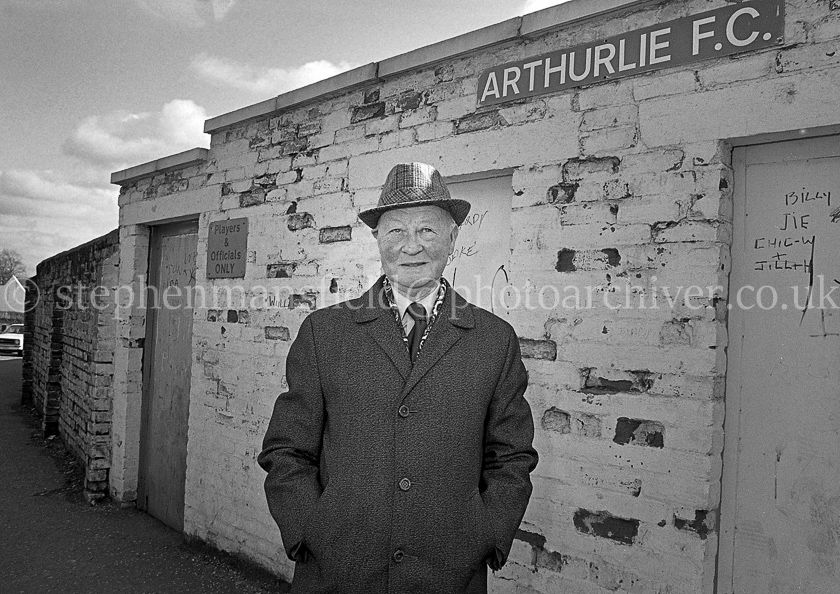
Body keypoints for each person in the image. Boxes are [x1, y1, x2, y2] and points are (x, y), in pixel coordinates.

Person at [258, 162, 538, 594]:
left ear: (452, 238)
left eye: (427, 230)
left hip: (450, 574)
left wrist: (486, 536)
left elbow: (512, 458)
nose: (412, 247)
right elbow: (286, 450)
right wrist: (308, 530)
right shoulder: (324, 332)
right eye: (396, 232)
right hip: (336, 571)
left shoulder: (493, 340)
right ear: (376, 239)